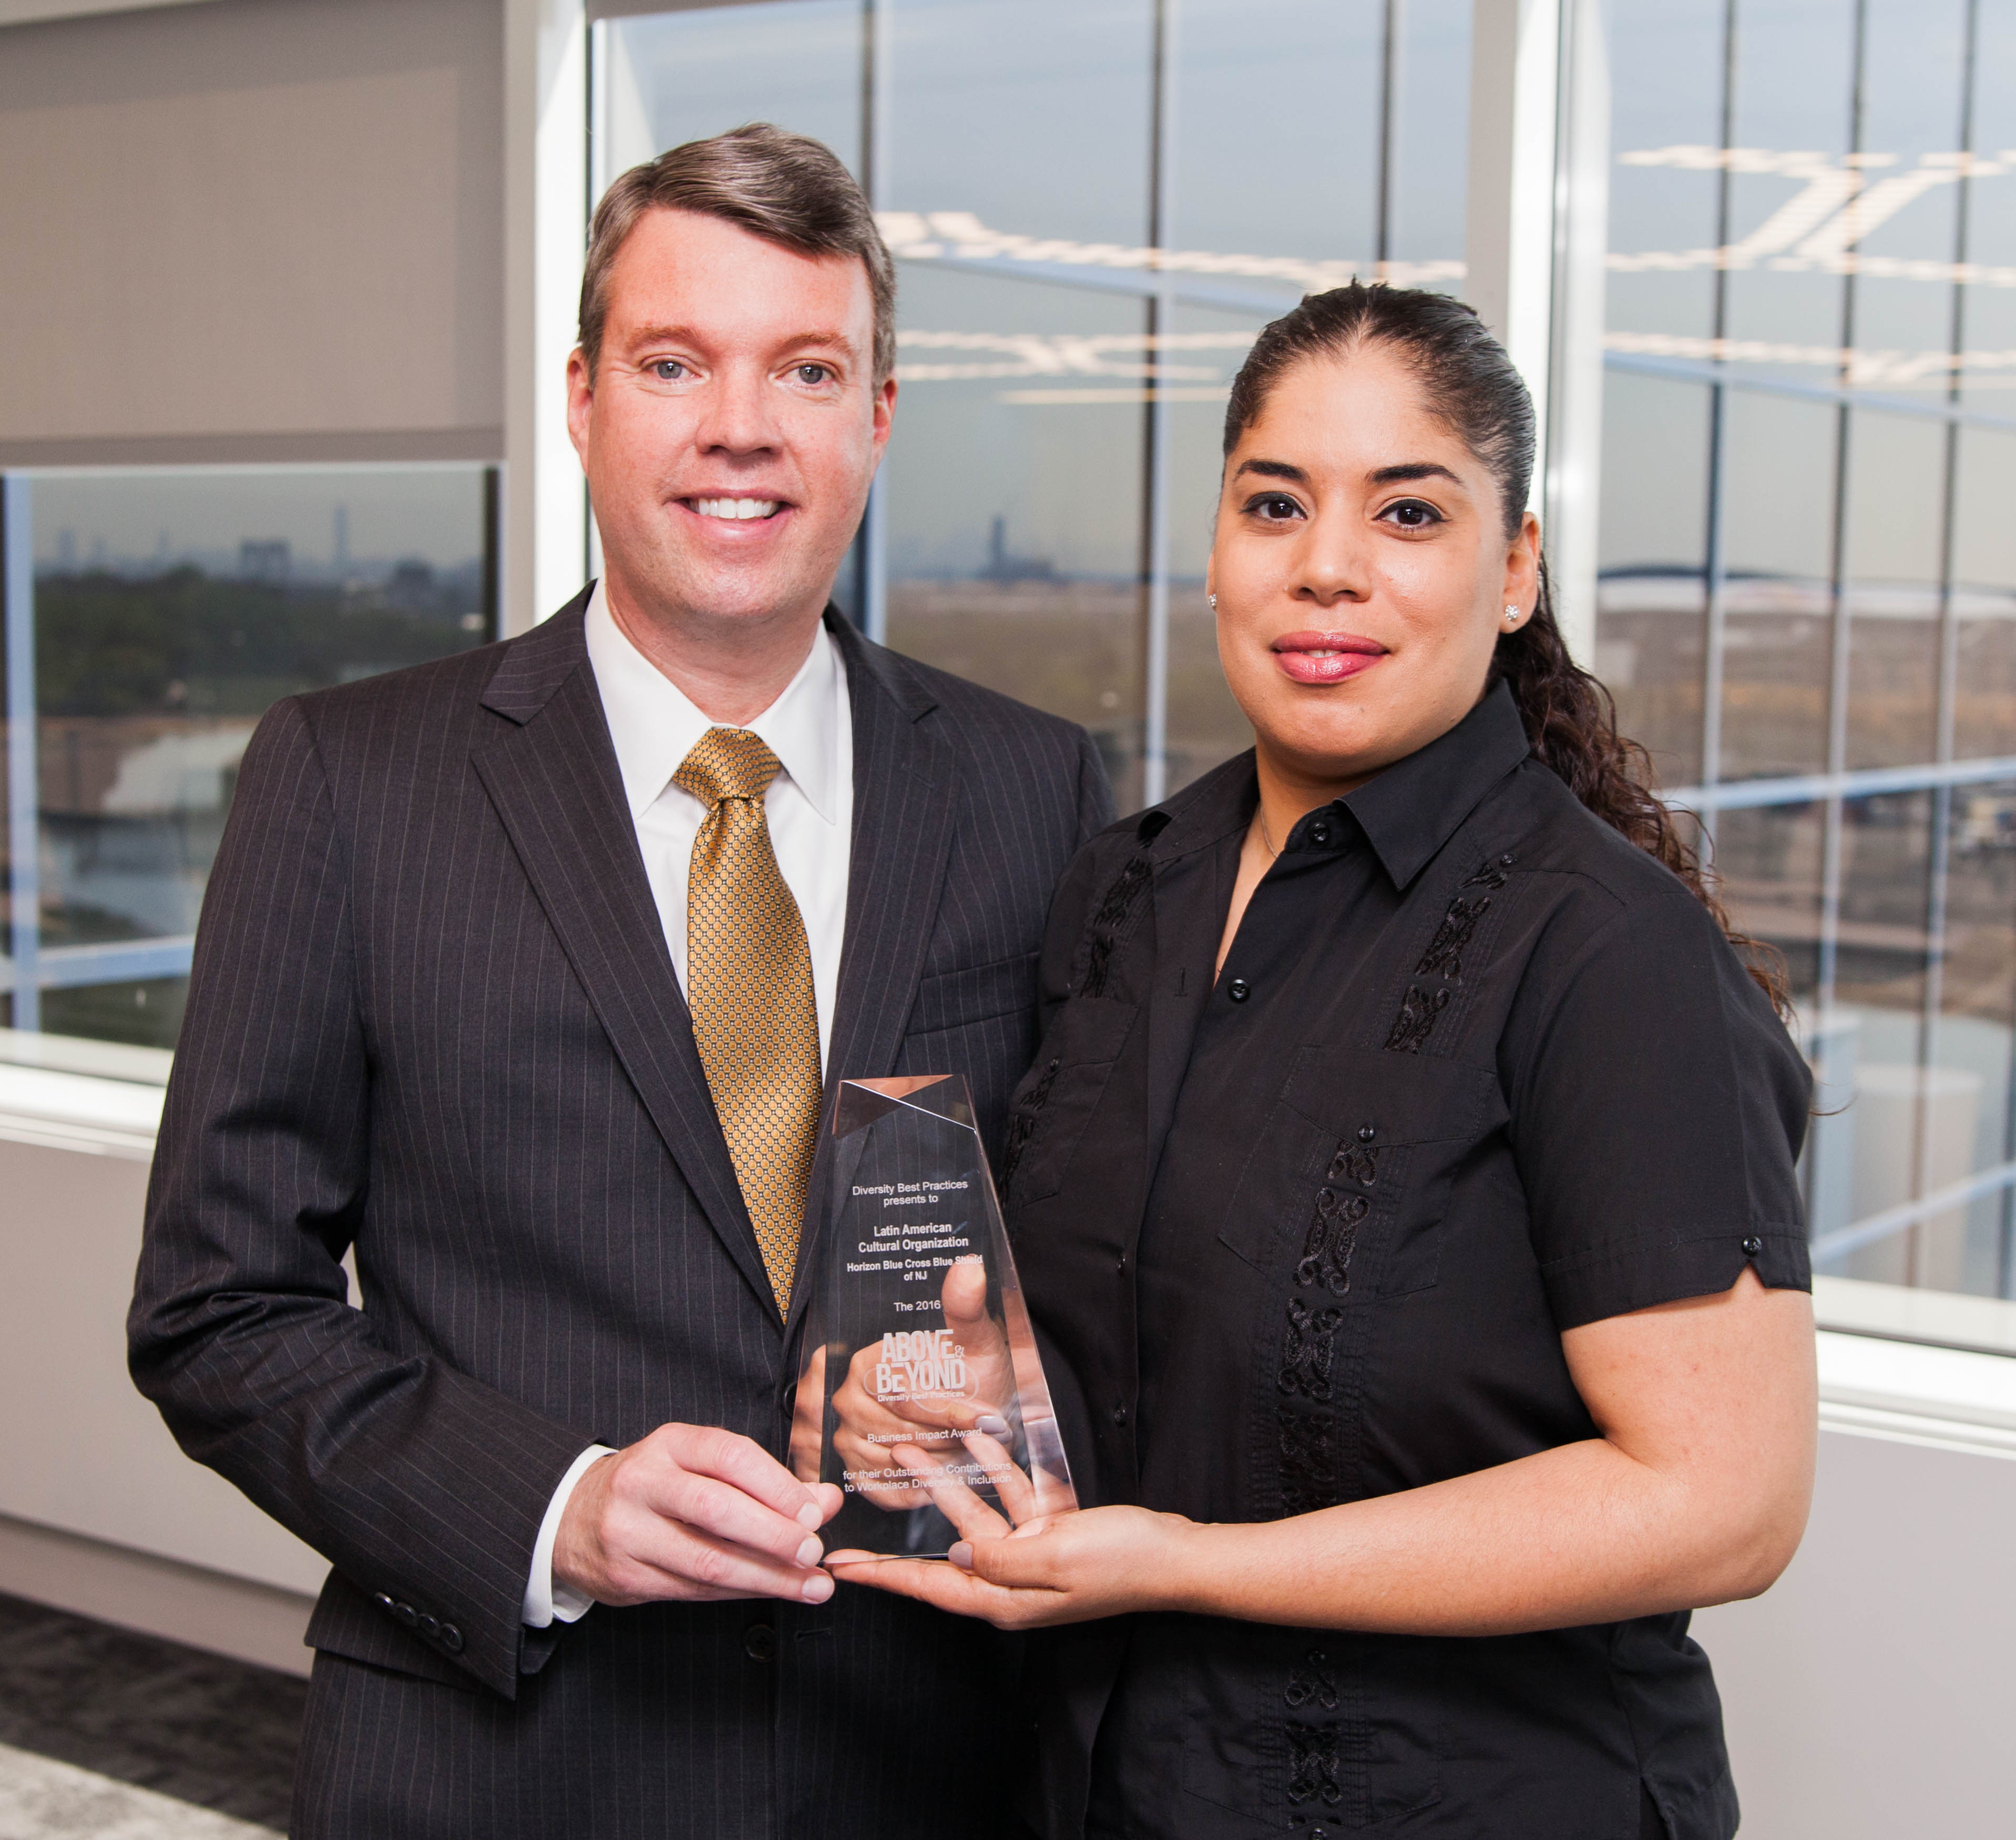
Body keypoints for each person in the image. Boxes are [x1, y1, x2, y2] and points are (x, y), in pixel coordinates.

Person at [128, 123, 1111, 1839]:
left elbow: (1092, 1265)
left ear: (877, 417)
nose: (741, 425)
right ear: (582, 398)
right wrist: (554, 1508)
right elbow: (218, 1307)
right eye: (674, 362)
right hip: (499, 1762)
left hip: (920, 1756)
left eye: (805, 368)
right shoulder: (349, 780)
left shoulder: (1034, 787)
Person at [846, 283, 1818, 1840]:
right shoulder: (1121, 890)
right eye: (1275, 503)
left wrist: (1190, 1564)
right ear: (1216, 550)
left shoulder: (1607, 954)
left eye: (1408, 511)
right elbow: (1137, 1347)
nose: (1326, 567)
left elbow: (1722, 1503)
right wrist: (957, 1399)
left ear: (1515, 572)